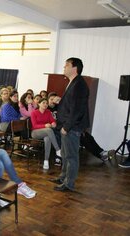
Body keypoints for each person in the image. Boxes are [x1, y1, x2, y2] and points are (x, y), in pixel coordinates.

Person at [52, 57, 89, 192]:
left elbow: (77, 110)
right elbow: (71, 104)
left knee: (71, 156)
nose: (64, 67)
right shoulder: (73, 82)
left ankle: (69, 183)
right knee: (65, 154)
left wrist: (67, 127)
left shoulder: (79, 84)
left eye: (66, 65)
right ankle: (63, 177)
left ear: (74, 68)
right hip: (68, 125)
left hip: (72, 127)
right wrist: (60, 101)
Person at [30, 98, 62, 170]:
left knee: (48, 138)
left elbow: (53, 121)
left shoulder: (48, 112)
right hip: (35, 132)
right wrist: (44, 125)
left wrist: (54, 123)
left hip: (46, 132)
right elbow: (34, 125)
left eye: (46, 103)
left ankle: (46, 161)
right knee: (49, 130)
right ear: (39, 104)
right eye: (43, 103)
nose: (45, 104)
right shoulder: (34, 112)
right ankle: (57, 149)